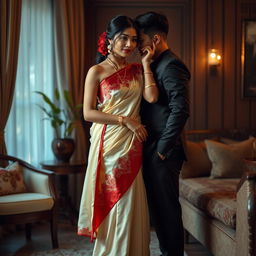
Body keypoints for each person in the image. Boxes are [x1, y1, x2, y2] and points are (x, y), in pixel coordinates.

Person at [77, 15, 158, 256]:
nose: (130, 45)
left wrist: (145, 65)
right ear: (109, 40)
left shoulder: (136, 70)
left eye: (134, 39)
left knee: (131, 200)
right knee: (114, 200)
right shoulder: (97, 71)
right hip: (109, 143)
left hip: (132, 143)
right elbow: (88, 113)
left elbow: (152, 98)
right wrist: (126, 121)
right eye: (123, 38)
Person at [135, 12, 190, 256]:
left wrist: (161, 150)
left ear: (156, 39)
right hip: (152, 148)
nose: (138, 47)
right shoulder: (154, 63)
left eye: (141, 41)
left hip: (164, 150)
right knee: (158, 211)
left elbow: (181, 109)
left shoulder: (171, 64)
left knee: (167, 212)